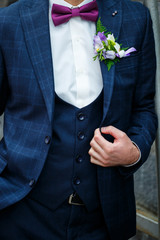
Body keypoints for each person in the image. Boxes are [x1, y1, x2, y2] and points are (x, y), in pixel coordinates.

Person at [0, 0, 157, 239]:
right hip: (21, 210)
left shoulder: (137, 18)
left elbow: (144, 106)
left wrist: (134, 151)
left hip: (104, 217)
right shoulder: (8, 21)